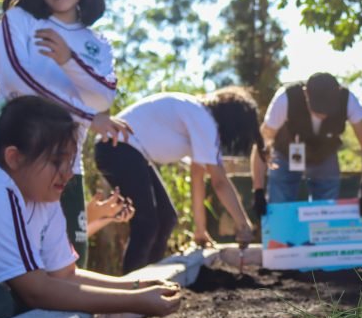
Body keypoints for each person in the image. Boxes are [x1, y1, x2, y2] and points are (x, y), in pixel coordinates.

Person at [0, 96, 181, 318]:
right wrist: (136, 301)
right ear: (14, 158)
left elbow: (65, 275)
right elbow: (35, 290)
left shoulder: (44, 195)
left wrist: (135, 286)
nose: (67, 173)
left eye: (70, 161)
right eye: (56, 161)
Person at [0, 0, 131, 268]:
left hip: (67, 169)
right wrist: (86, 114)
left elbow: (103, 97)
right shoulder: (19, 21)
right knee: (13, 269)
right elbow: (17, 82)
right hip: (15, 164)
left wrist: (69, 60)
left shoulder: (97, 43)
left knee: (71, 264)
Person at [95, 87, 265, 273]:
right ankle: (131, 289)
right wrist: (243, 225)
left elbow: (197, 175)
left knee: (166, 217)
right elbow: (219, 182)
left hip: (128, 150)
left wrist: (200, 230)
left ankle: (150, 278)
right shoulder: (203, 119)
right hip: (116, 146)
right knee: (147, 222)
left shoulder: (199, 118)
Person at [257, 72, 362, 217]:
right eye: (317, 108)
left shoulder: (348, 100)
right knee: (279, 205)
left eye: (328, 108)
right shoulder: (285, 98)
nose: (323, 114)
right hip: (286, 154)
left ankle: (319, 236)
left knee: (326, 208)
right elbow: (261, 143)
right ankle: (279, 235)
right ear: (305, 93)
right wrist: (257, 189)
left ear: (338, 93)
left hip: (324, 155)